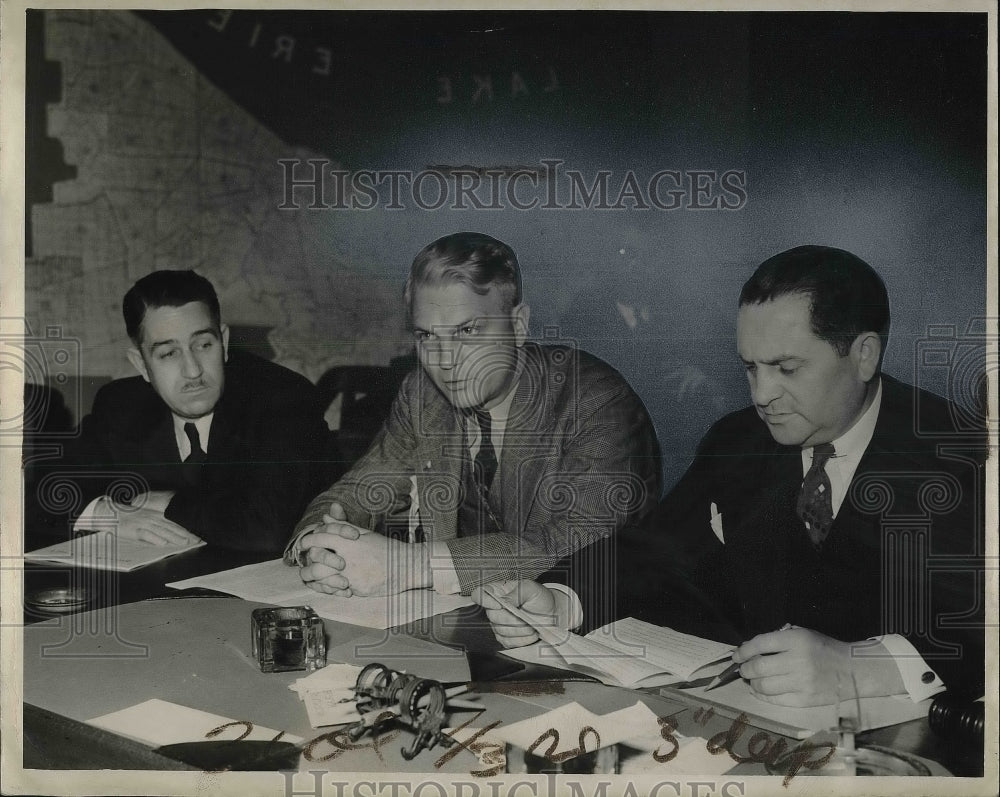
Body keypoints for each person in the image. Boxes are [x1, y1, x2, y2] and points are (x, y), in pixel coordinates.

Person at [474, 245, 986, 706]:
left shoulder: (962, 454)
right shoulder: (738, 440)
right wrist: (563, 598)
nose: (762, 395)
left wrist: (864, 668)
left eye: (786, 369)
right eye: (750, 368)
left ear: (864, 355)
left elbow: (979, 622)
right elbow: (658, 548)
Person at [286, 231, 662, 597]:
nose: (444, 361)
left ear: (518, 325)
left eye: (467, 330)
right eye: (427, 336)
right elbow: (359, 492)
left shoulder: (596, 401)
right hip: (473, 625)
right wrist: (319, 544)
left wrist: (412, 566)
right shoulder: (423, 395)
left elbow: (580, 542)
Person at [27, 270, 330, 553]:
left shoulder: (282, 398)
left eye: (203, 345)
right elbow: (40, 494)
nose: (193, 370)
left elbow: (267, 529)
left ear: (223, 342)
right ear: (140, 364)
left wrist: (170, 502)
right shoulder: (121, 404)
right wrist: (108, 514)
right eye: (169, 353)